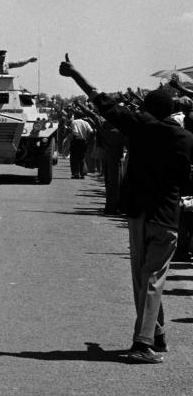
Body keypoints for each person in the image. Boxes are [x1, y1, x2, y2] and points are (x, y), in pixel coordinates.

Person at [60, 53, 193, 364]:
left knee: (142, 279)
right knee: (153, 278)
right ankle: (153, 336)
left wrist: (75, 72)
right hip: (166, 215)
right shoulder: (186, 138)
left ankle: (144, 342)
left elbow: (100, 99)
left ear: (146, 110)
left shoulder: (139, 126)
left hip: (137, 212)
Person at [68, 112, 93, 179]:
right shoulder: (86, 123)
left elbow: (75, 132)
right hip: (84, 141)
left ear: (76, 116)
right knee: (82, 157)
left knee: (74, 157)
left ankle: (75, 174)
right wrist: (87, 138)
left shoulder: (74, 122)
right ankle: (82, 174)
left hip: (76, 141)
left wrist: (70, 131)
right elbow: (91, 131)